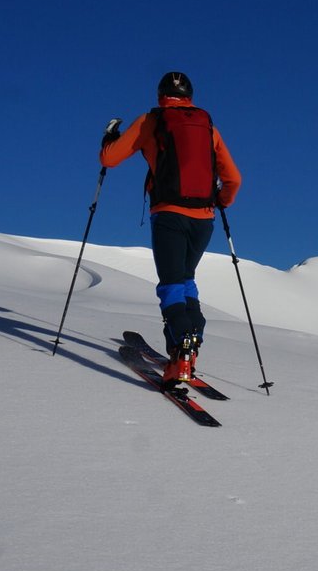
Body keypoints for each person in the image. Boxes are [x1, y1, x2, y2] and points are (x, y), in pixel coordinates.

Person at [100, 71, 242, 387]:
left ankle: (181, 350)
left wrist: (109, 136)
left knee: (170, 285)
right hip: (203, 220)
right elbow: (234, 179)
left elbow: (109, 159)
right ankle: (191, 345)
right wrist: (221, 200)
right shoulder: (208, 128)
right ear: (190, 95)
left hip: (169, 215)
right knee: (185, 280)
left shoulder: (152, 121)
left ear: (161, 94)